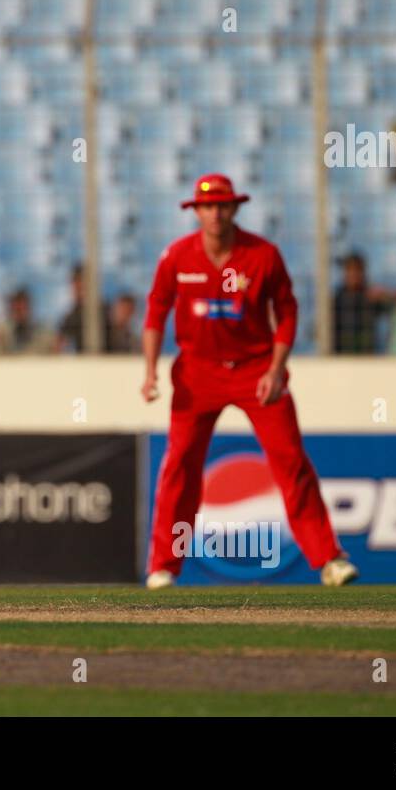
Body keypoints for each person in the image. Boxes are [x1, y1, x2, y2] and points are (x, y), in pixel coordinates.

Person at [141, 174, 358, 589]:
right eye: (207, 206)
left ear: (235, 208)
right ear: (196, 211)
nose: (216, 214)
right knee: (179, 464)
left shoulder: (262, 255)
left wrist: (277, 368)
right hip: (198, 371)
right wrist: (150, 371)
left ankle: (329, 559)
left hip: (256, 369)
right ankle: (164, 565)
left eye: (223, 205)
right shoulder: (177, 257)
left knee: (290, 460)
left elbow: (288, 312)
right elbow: (156, 312)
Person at [333, 252, 390, 353]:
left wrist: (384, 295)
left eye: (358, 270)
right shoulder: (337, 300)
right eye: (350, 269)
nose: (354, 274)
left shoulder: (371, 297)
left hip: (365, 357)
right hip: (341, 357)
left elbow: (394, 309)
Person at [0, 288, 59, 355]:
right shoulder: (3, 333)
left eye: (21, 309)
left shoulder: (44, 332)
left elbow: (53, 356)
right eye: (15, 309)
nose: (18, 313)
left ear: (29, 308)